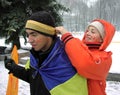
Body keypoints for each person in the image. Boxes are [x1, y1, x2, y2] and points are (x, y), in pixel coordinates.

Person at [4, 11, 88, 95]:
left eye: (34, 34)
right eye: (28, 35)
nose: (29, 40)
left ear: (48, 34)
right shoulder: (36, 54)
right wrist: (13, 67)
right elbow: (34, 76)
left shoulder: (68, 59)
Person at [55, 19, 116, 95]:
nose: (88, 33)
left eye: (93, 32)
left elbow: (84, 64)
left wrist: (67, 36)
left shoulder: (105, 58)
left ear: (101, 39)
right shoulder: (80, 50)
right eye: (87, 31)